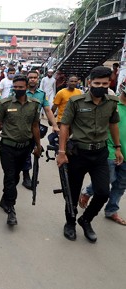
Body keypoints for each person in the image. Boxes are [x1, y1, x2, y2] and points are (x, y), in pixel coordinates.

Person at [56, 66, 123, 243]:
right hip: (78, 153)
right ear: (89, 83)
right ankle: (70, 223)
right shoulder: (76, 102)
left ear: (109, 84)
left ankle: (86, 220)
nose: (100, 86)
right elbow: (64, 126)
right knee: (72, 192)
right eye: (97, 83)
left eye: (104, 83)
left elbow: (113, 125)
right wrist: (61, 152)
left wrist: (117, 147)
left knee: (102, 192)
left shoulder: (111, 102)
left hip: (100, 154)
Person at [0, 75, 42, 226]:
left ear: (27, 87)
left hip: (25, 147)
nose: (18, 89)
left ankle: (4, 199)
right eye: (15, 87)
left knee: (16, 177)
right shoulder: (5, 104)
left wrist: (38, 146)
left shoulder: (34, 104)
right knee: (10, 176)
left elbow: (35, 126)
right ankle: (11, 208)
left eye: (21, 87)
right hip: (7, 147)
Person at [79, 83, 126, 225]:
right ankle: (88, 192)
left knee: (121, 185)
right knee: (109, 178)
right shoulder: (112, 103)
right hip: (111, 148)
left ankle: (111, 210)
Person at [21, 70, 60, 189]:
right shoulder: (21, 91)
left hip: (35, 126)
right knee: (26, 152)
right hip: (22, 125)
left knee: (32, 150)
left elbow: (47, 110)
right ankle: (26, 176)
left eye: (34, 77)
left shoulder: (41, 94)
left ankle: (26, 175)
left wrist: (54, 125)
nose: (32, 79)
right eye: (30, 77)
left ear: (38, 79)